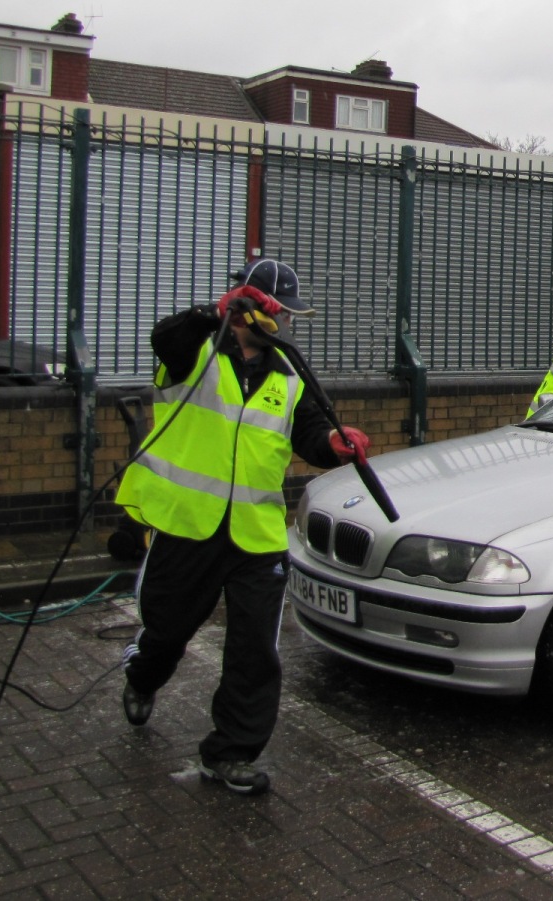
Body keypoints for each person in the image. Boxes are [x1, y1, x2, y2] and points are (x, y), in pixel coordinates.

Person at [114, 259, 370, 795]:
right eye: (284, 313)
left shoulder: (288, 375)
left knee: (255, 649)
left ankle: (231, 753)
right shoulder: (195, 354)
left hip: (254, 534)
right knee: (167, 632)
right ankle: (143, 675)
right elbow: (166, 335)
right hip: (188, 526)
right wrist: (219, 311)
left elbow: (309, 434)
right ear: (255, 308)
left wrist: (333, 444)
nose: (291, 325)